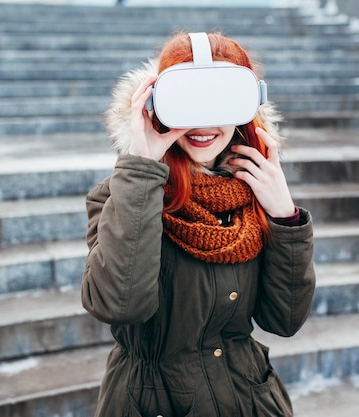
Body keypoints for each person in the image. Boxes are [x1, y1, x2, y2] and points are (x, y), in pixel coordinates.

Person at [82, 31, 316, 417]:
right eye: (188, 102)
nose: (204, 122)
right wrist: (142, 170)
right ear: (157, 105)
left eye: (221, 102)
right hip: (153, 401)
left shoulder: (252, 193)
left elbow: (284, 319)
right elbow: (118, 304)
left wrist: (284, 217)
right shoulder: (123, 195)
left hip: (249, 399)